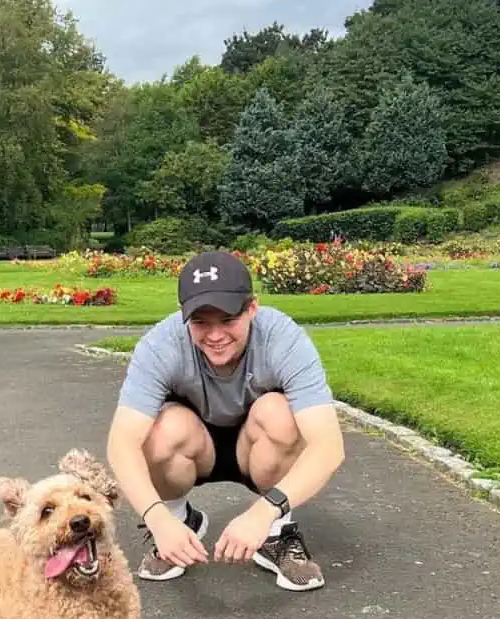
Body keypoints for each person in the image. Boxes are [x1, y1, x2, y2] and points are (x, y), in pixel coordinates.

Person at [105, 249, 345, 591]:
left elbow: (328, 446)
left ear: (252, 308)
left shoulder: (284, 338)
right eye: (201, 322)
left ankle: (276, 533)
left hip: (258, 444)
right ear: (183, 315)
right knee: (159, 431)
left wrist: (263, 513)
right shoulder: (161, 344)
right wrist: (156, 517)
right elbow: (122, 443)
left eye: (228, 319)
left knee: (280, 414)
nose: (215, 335)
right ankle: (178, 520)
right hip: (195, 442)